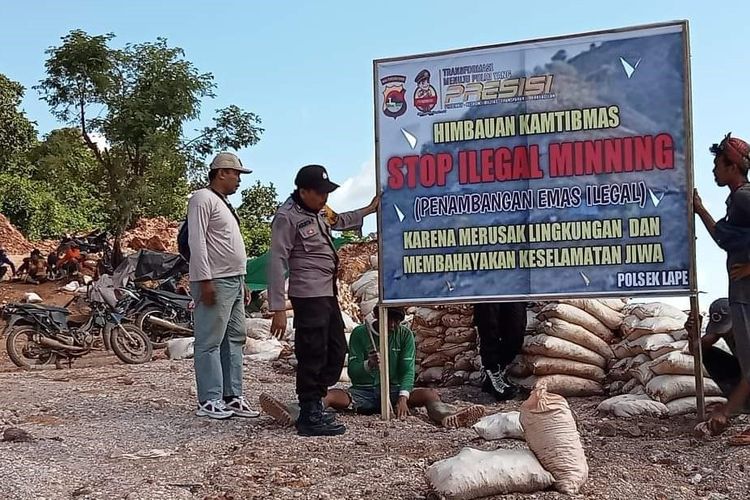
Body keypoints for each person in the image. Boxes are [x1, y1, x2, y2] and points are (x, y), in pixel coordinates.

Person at [268, 164, 378, 436]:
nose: (324, 198)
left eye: (326, 192)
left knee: (337, 347)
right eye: (319, 193)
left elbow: (339, 221)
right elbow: (276, 261)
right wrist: (278, 307)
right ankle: (309, 414)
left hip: (326, 292)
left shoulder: (319, 210)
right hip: (307, 294)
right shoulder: (287, 217)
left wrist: (368, 209)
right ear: (303, 191)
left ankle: (316, 400)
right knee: (312, 352)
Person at [259, 307, 485, 431]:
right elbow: (355, 372)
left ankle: (447, 416)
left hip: (395, 390)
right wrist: (368, 365)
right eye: (390, 319)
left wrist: (404, 397)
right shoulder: (360, 333)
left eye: (398, 320)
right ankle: (293, 412)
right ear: (378, 315)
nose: (393, 325)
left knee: (430, 394)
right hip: (364, 392)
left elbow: (408, 370)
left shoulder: (405, 335)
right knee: (329, 395)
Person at [188, 152, 259, 420]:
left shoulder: (224, 203)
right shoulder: (201, 199)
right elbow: (197, 242)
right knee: (209, 341)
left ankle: (232, 395)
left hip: (233, 279)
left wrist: (242, 280)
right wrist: (205, 280)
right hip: (214, 279)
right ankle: (209, 399)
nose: (239, 180)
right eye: (236, 174)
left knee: (235, 338)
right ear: (221, 173)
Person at [693, 132, 750, 439]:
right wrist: (700, 208)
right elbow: (722, 239)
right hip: (741, 296)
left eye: (717, 164)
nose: (714, 170)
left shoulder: (744, 197)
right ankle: (730, 413)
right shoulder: (736, 201)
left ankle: (730, 414)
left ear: (732, 166)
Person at [473, 302, 528, 400]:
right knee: (489, 328)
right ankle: (493, 371)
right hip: (486, 291)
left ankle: (494, 374)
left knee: (516, 331)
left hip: (513, 290)